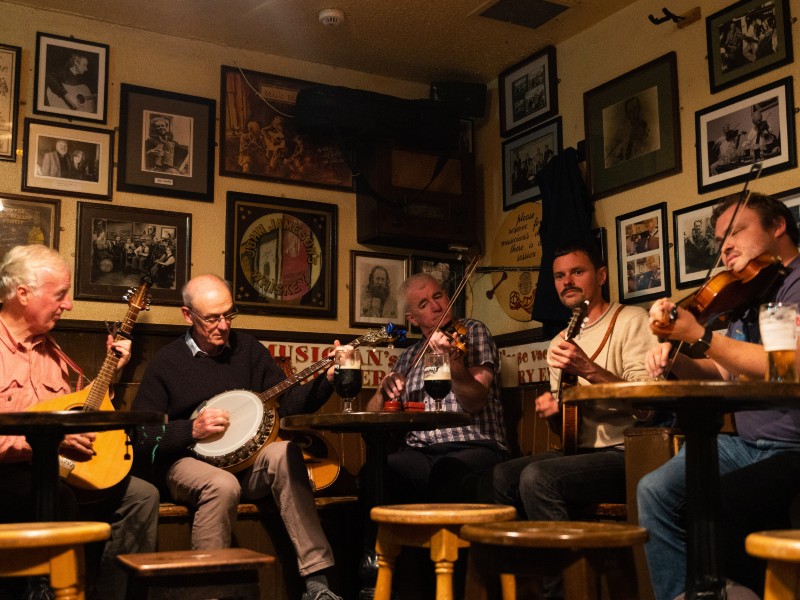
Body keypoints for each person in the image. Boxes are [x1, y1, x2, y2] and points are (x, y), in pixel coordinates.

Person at [131, 274, 343, 600]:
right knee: (221, 484)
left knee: (285, 453)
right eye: (212, 318)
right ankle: (208, 592)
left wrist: (326, 380)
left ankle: (317, 585)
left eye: (229, 314)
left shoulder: (248, 351)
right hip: (187, 462)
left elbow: (288, 406)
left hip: (248, 464)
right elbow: (142, 437)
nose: (223, 325)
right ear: (188, 315)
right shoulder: (166, 364)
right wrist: (191, 430)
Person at [640, 192, 800, 600]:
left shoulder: (796, 282)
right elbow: (723, 371)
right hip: (746, 443)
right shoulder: (751, 292)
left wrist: (699, 334)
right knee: (654, 491)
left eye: (735, 231)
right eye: (719, 239)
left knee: (723, 502)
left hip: (793, 444)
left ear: (777, 225)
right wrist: (675, 357)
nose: (724, 245)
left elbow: (786, 364)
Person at [493, 239, 658, 597]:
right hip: (580, 453)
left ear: (600, 276)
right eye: (559, 276)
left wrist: (588, 368)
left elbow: (646, 404)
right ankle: (525, 585)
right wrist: (554, 413)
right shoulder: (560, 339)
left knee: (538, 478)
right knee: (502, 476)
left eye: (577, 272)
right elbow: (565, 428)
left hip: (625, 452)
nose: (567, 281)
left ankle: (566, 590)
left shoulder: (631, 320)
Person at [0, 244, 159, 600]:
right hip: (9, 474)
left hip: (55, 469)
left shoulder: (53, 354)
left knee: (141, 496)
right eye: (60, 295)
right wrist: (47, 442)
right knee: (59, 496)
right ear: (23, 294)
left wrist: (111, 373)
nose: (68, 304)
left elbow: (78, 409)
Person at [366, 272, 507, 503]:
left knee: (447, 472)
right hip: (421, 452)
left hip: (475, 445)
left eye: (438, 296)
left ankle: (443, 541)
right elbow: (374, 418)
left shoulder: (472, 332)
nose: (436, 306)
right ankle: (385, 540)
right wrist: (381, 391)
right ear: (412, 318)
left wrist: (450, 362)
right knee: (377, 472)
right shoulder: (409, 356)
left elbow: (475, 401)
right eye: (424, 304)